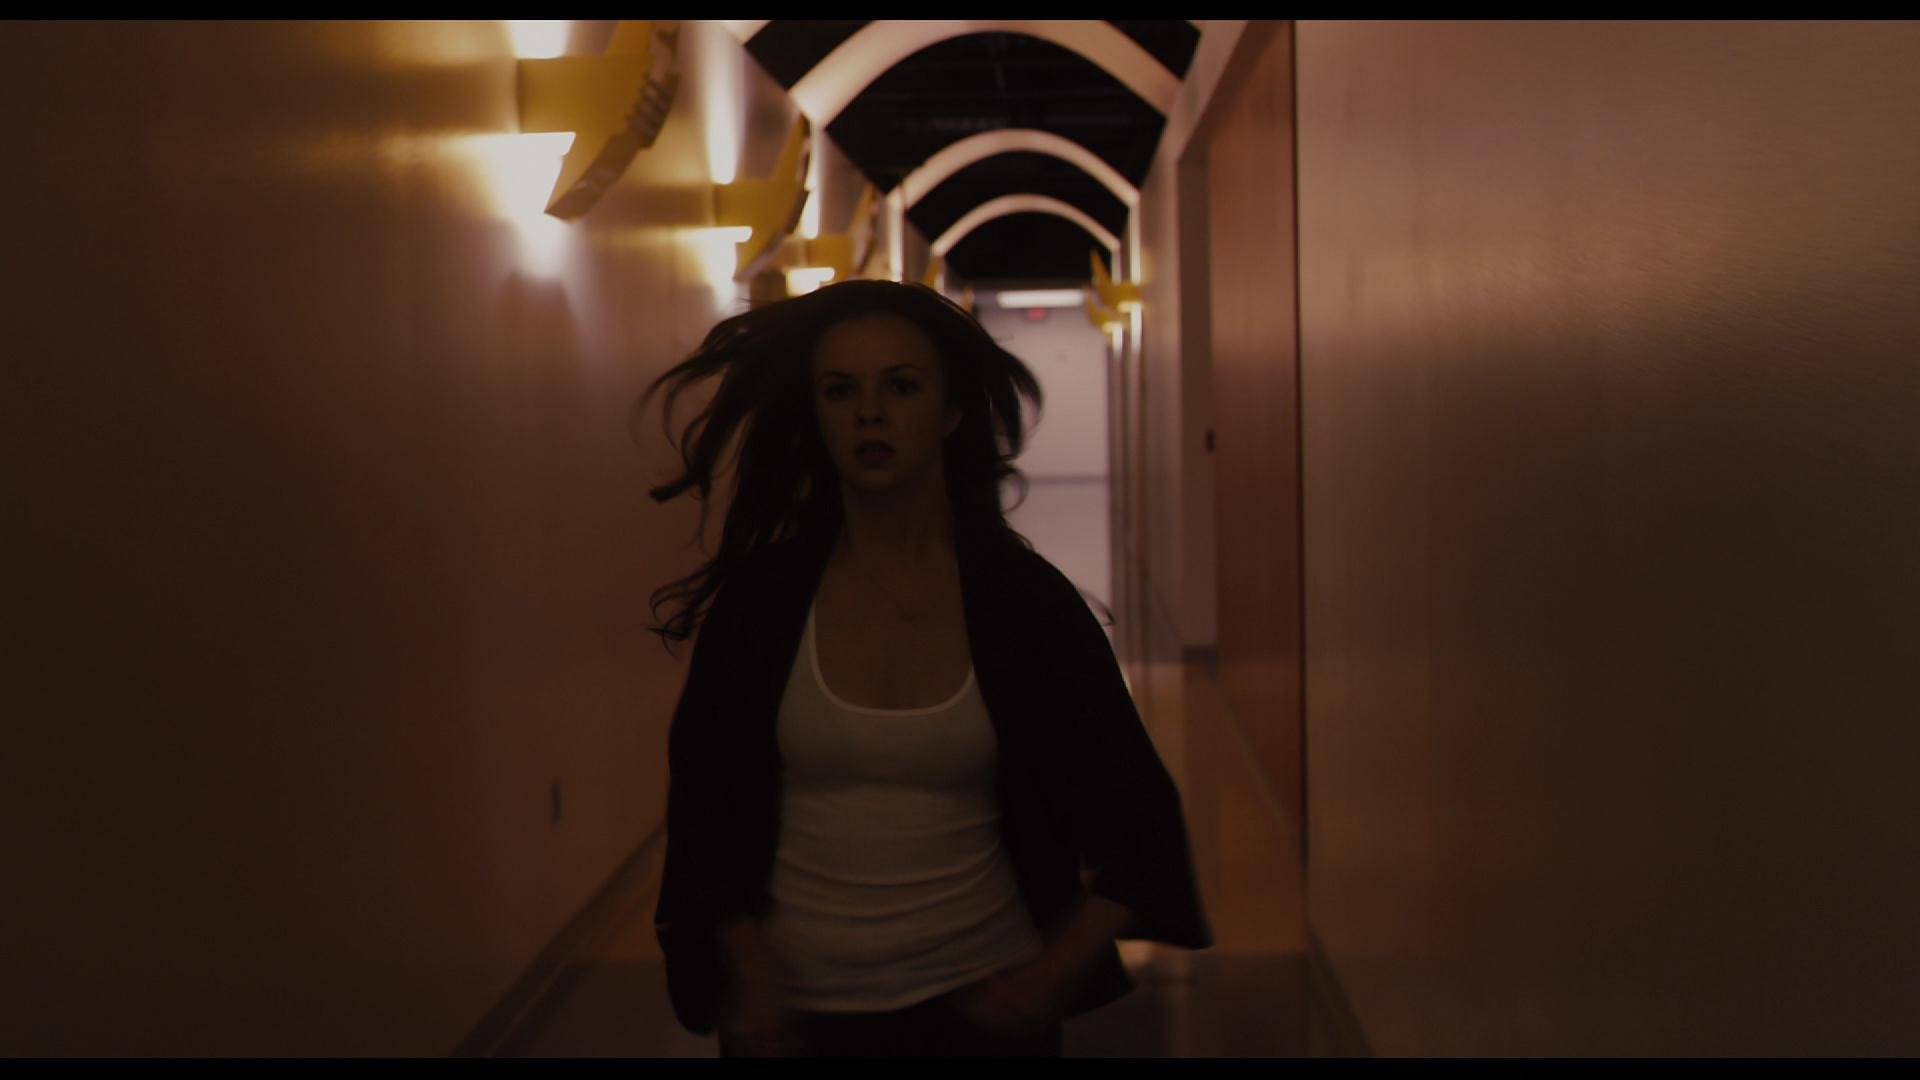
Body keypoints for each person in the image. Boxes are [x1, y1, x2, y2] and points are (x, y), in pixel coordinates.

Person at [636, 280, 1210, 1058]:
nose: (870, 414)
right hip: (795, 1021)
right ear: (816, 415)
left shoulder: (1024, 605)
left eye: (901, 386)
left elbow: (1142, 822)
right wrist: (749, 970)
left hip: (981, 1013)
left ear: (949, 411)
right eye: (840, 391)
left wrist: (1046, 978)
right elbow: (704, 812)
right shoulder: (764, 605)